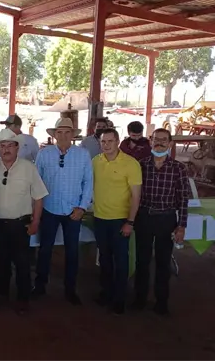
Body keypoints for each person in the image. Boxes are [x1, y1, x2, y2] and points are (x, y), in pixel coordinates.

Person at [33, 118, 93, 305]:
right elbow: (36, 181)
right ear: (54, 135)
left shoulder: (83, 154)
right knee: (45, 249)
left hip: (73, 209)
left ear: (73, 135)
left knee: (72, 251)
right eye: (60, 132)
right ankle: (40, 285)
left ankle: (70, 288)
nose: (63, 136)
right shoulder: (44, 154)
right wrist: (37, 208)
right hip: (49, 208)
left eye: (67, 132)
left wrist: (82, 207)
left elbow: (88, 182)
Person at [0, 129, 47, 315]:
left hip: (20, 223)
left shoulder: (28, 168)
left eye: (10, 145)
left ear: (17, 148)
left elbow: (39, 197)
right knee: (2, 260)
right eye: (2, 146)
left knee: (22, 262)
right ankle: (2, 294)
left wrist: (36, 221)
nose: (6, 149)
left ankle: (23, 298)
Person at [134, 128, 190, 316]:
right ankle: (139, 299)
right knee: (142, 260)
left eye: (163, 140)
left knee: (163, 262)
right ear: (150, 141)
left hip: (166, 219)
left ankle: (161, 302)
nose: (159, 143)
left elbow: (183, 199)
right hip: (144, 217)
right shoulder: (141, 165)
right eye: (156, 139)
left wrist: (181, 225)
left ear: (170, 143)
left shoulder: (179, 168)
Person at [92, 128, 141, 315]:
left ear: (118, 141)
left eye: (110, 141)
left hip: (120, 219)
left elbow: (136, 196)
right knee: (104, 258)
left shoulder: (131, 164)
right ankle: (106, 293)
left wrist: (130, 222)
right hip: (99, 218)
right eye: (103, 142)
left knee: (121, 260)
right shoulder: (96, 161)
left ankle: (119, 298)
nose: (106, 145)